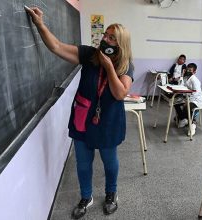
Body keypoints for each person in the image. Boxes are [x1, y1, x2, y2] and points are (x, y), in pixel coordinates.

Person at [26, 7, 134, 219]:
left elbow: (120, 93)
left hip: (108, 122)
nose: (105, 39)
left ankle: (111, 194)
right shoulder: (89, 54)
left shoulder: (126, 65)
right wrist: (40, 24)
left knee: (110, 163)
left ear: (120, 44)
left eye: (111, 38)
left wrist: (109, 67)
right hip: (83, 118)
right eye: (105, 34)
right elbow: (56, 46)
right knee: (83, 163)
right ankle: (86, 197)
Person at [174, 63, 202, 136]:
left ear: (194, 72)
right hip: (187, 98)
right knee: (175, 103)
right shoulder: (186, 77)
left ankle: (192, 123)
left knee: (188, 106)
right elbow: (180, 86)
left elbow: (196, 93)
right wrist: (181, 76)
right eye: (187, 69)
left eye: (190, 70)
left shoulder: (195, 80)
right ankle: (184, 119)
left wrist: (187, 102)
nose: (188, 71)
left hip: (196, 100)